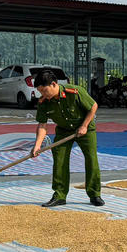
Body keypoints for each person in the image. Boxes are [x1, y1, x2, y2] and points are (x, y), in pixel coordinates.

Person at [30, 69, 103, 208]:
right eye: (40, 92)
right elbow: (42, 125)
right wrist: (37, 146)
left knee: (91, 159)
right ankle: (60, 195)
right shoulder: (44, 102)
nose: (43, 94)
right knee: (60, 160)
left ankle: (95, 194)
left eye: (44, 90)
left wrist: (84, 126)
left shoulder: (74, 92)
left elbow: (93, 106)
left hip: (85, 129)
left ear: (53, 84)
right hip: (64, 130)